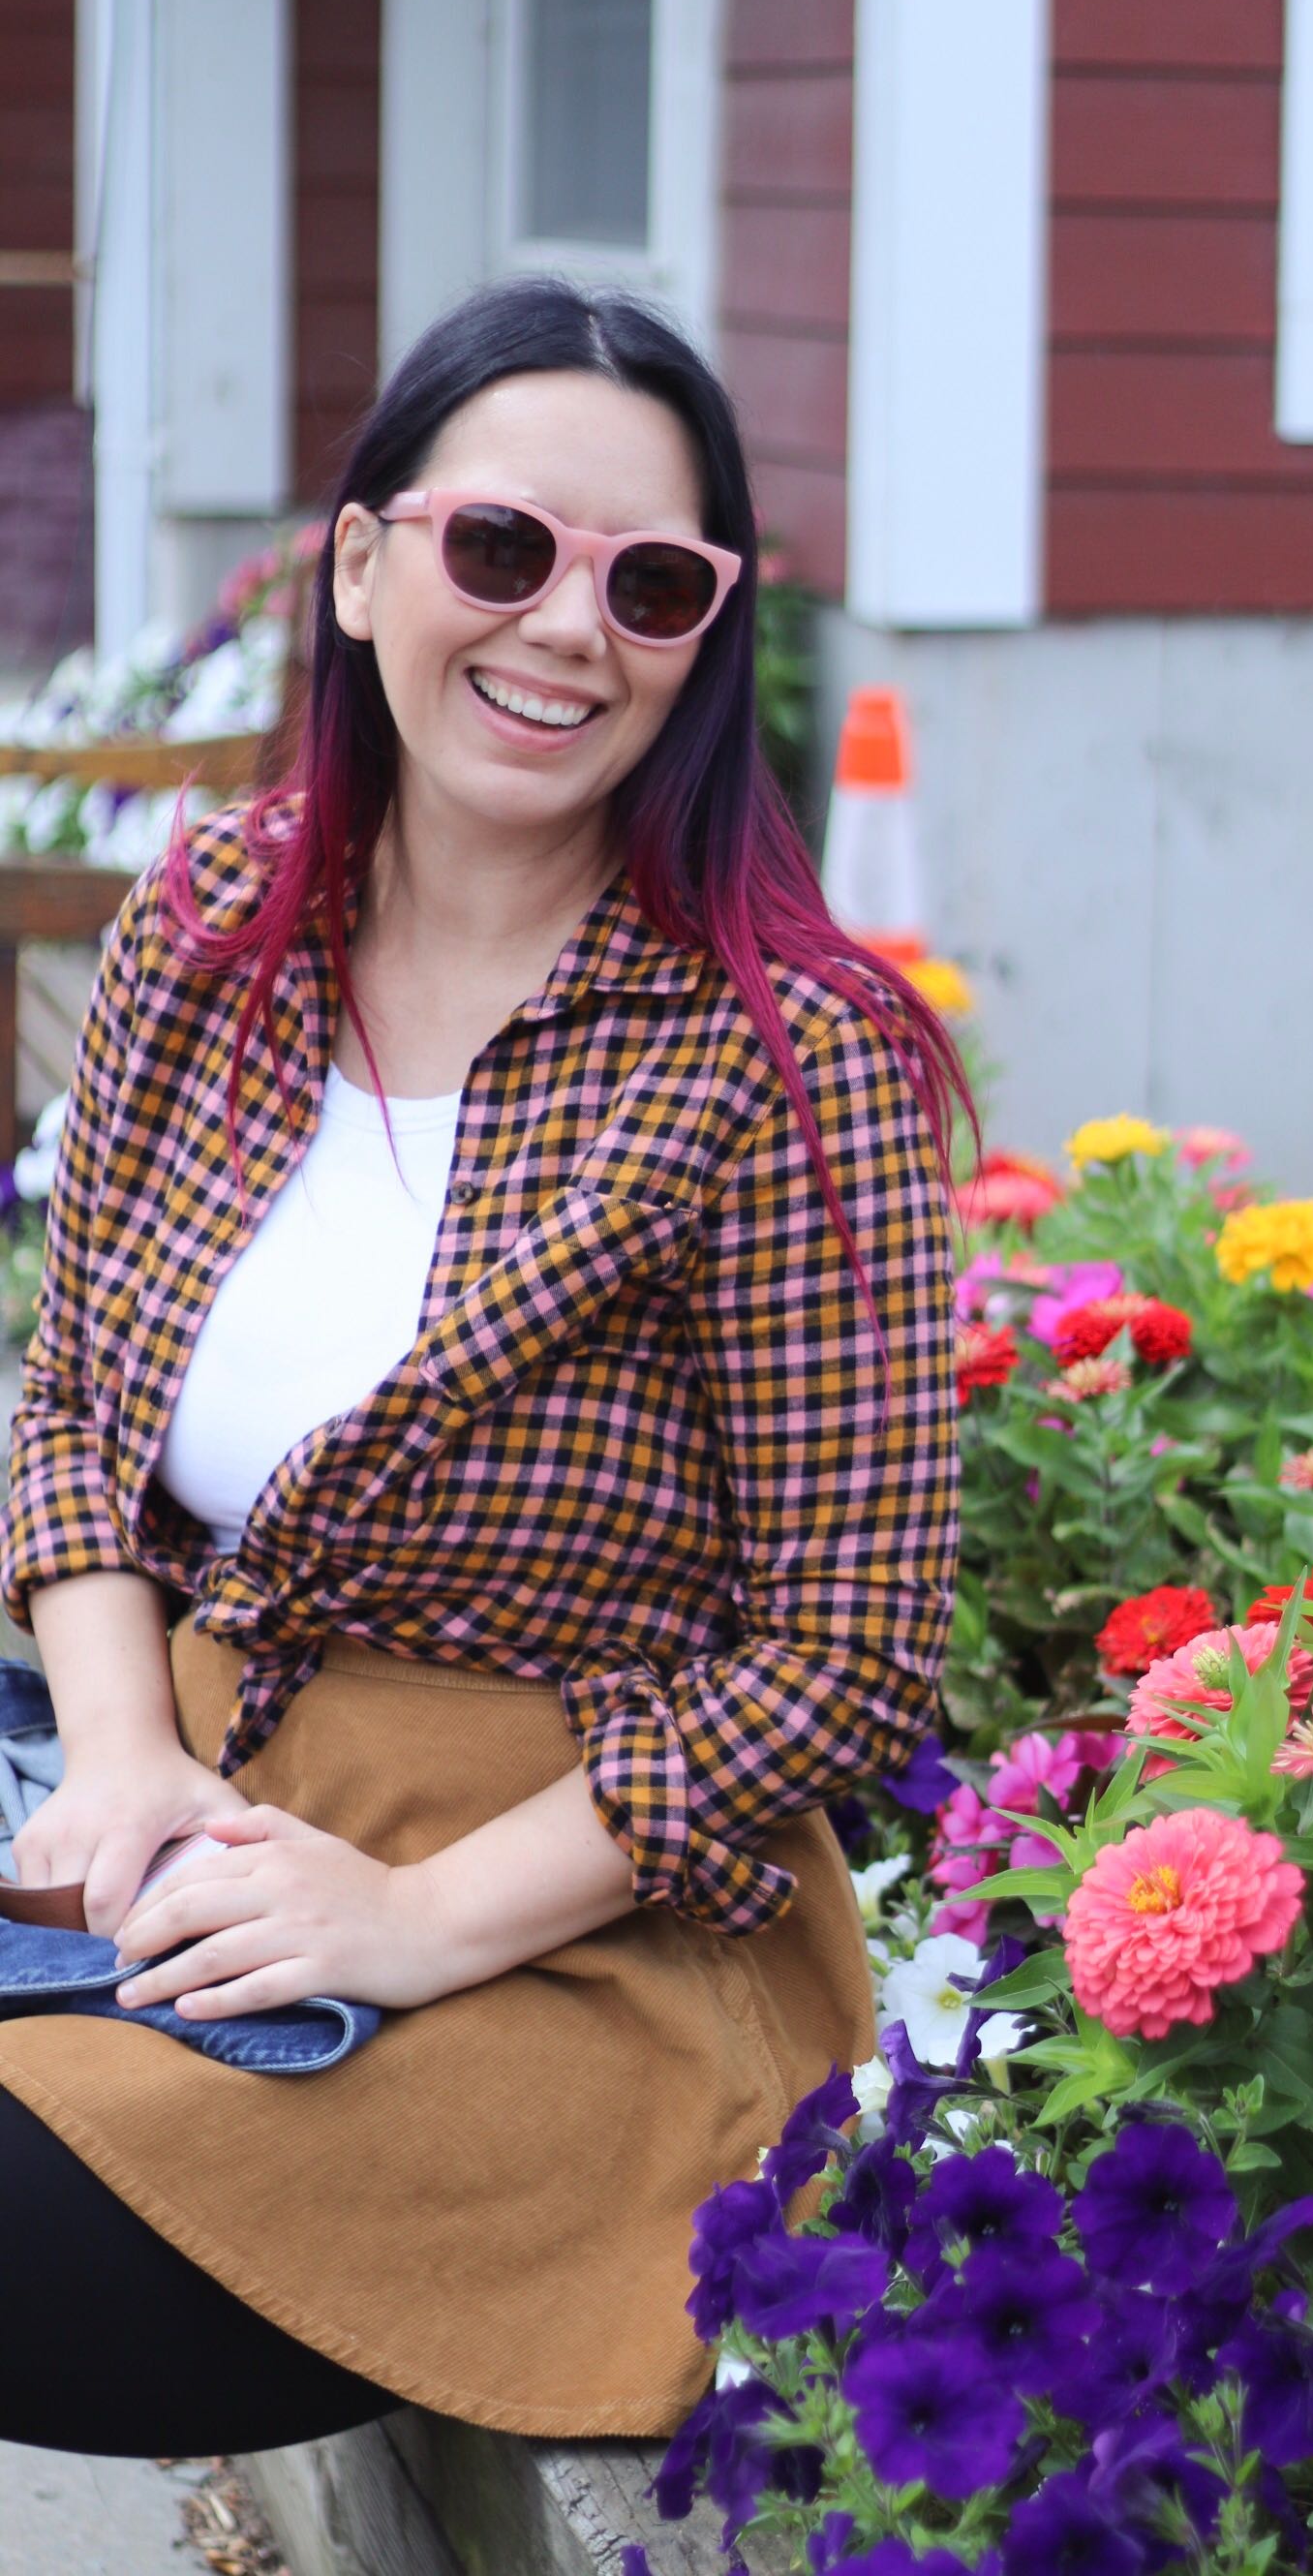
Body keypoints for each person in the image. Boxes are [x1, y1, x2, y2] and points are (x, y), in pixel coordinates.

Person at [0, 273, 974, 2458]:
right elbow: (69, 1415)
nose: (567, 630)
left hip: (564, 1931)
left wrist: (419, 1914)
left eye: (651, 585)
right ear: (364, 564)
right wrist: (122, 1763)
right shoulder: (220, 927)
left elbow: (846, 1664)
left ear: (708, 638)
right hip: (196, 1786)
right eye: (504, 548)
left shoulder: (790, 1064)